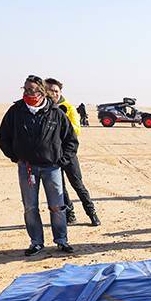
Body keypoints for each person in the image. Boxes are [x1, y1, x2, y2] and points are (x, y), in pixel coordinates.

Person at [0, 75, 77, 255]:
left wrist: (62, 160)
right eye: (25, 89)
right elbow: (3, 137)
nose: (27, 92)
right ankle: (36, 242)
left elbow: (71, 140)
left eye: (31, 89)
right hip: (27, 168)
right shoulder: (16, 111)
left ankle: (61, 241)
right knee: (30, 207)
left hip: (52, 168)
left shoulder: (56, 112)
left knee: (57, 205)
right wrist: (15, 156)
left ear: (41, 91)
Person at [45, 78, 100, 226]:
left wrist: (57, 133)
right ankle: (70, 214)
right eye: (50, 91)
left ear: (60, 92)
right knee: (60, 188)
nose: (53, 94)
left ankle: (92, 213)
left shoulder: (68, 108)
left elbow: (75, 131)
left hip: (68, 154)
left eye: (56, 91)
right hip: (52, 155)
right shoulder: (43, 108)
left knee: (77, 184)